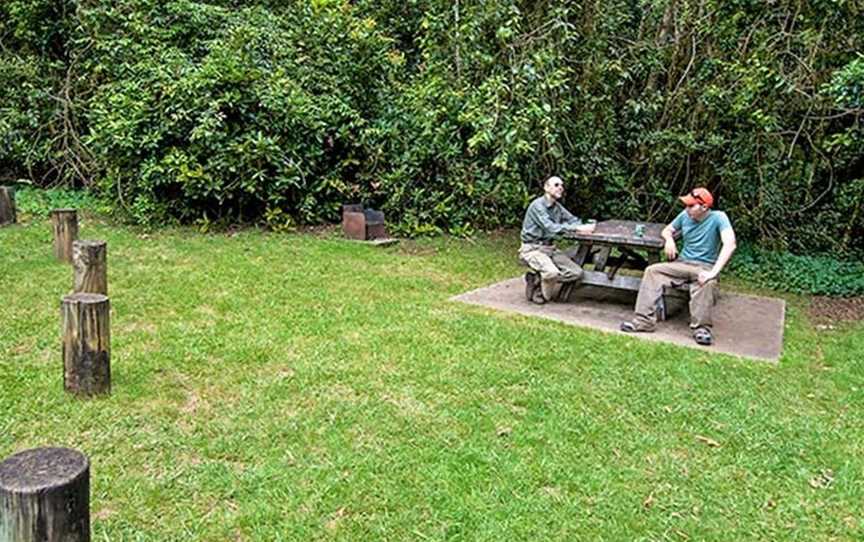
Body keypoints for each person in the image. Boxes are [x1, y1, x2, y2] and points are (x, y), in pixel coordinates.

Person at [620, 187, 736, 345]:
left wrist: (713, 273)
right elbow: (667, 229)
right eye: (686, 205)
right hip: (682, 263)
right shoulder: (685, 215)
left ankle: (701, 329)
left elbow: (730, 244)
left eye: (691, 206)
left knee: (707, 283)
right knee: (652, 271)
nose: (687, 209)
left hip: (704, 267)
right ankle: (644, 321)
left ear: (704, 207)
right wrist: (669, 239)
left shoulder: (719, 218)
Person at [519, 176, 596, 304]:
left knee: (576, 273)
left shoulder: (557, 207)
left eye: (561, 185)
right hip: (532, 249)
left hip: (550, 248)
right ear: (546, 187)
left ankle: (537, 280)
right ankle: (542, 294)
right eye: (556, 185)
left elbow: (572, 219)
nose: (560, 188)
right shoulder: (537, 206)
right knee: (552, 272)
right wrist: (577, 228)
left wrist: (583, 226)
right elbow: (551, 228)